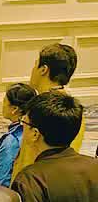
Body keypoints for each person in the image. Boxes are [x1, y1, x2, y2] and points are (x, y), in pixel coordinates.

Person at [12, 43, 85, 176]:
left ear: (43, 69)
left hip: (35, 181)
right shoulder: (72, 108)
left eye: (35, 65)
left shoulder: (43, 111)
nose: (33, 70)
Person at [0, 83, 35, 187]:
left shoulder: (11, 140)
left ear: (14, 109)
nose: (3, 105)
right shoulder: (33, 129)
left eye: (4, 102)